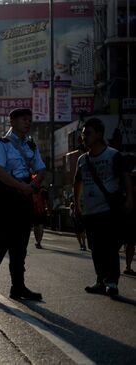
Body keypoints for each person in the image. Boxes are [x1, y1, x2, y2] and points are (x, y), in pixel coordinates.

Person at [0, 108, 46, 301]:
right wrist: (20, 186)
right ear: (12, 122)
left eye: (29, 120)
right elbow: (0, 172)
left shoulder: (31, 145)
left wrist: (31, 187)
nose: (27, 123)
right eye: (23, 119)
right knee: (3, 241)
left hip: (25, 196)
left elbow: (41, 170)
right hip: (8, 197)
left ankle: (18, 288)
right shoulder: (2, 144)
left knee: (20, 245)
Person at [73, 118, 133, 297]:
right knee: (95, 248)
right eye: (83, 134)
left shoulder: (113, 155)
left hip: (109, 209)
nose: (84, 137)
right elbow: (77, 183)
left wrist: (129, 199)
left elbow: (126, 177)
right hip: (90, 211)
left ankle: (112, 282)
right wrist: (77, 205)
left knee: (110, 248)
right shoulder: (82, 160)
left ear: (99, 134)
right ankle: (100, 280)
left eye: (87, 133)